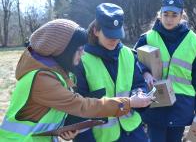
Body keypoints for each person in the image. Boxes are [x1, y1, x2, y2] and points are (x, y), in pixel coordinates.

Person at [0, 19, 153, 142]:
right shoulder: (42, 78)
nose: (83, 54)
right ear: (64, 49)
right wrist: (129, 103)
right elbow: (81, 105)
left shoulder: (57, 72)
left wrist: (69, 127)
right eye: (79, 49)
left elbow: (60, 109)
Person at [65, 3, 153, 142]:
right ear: (96, 31)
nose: (114, 40)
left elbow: (138, 83)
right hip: (101, 137)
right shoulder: (81, 59)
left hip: (133, 132)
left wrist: (139, 93)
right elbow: (79, 106)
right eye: (109, 35)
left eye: (117, 35)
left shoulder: (128, 54)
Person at [133, 0, 196, 142]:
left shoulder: (195, 42)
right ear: (160, 14)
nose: (169, 19)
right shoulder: (147, 38)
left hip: (181, 106)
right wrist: (144, 72)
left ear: (181, 15)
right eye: (166, 14)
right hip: (154, 103)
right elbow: (132, 62)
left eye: (174, 15)